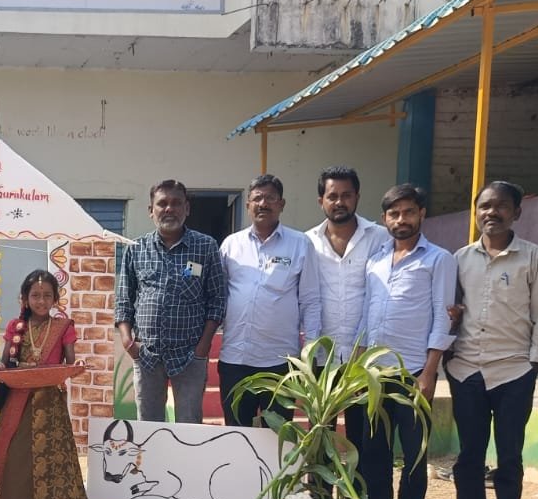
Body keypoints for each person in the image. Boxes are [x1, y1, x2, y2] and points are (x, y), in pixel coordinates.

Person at [438, 182, 538, 499]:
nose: (492, 213)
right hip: (467, 369)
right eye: (484, 207)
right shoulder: (459, 259)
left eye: (501, 207)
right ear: (476, 212)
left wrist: (536, 361)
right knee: (469, 452)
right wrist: (450, 352)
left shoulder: (532, 257)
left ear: (516, 212)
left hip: (514, 369)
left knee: (509, 452)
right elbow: (452, 310)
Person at [353, 183, 456, 499]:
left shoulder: (438, 259)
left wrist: (430, 371)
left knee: (414, 452)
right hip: (374, 373)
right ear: (385, 219)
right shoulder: (376, 259)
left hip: (414, 372)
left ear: (421, 214)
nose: (402, 219)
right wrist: (358, 368)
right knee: (374, 450)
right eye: (394, 214)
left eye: (409, 212)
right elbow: (368, 315)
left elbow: (443, 319)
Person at [0, 270, 97, 499]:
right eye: (35, 295)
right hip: (18, 405)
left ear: (55, 299)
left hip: (50, 408)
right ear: (24, 298)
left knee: (54, 466)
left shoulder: (63, 326)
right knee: (18, 463)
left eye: (47, 295)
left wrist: (78, 368)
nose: (41, 300)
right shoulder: (15, 327)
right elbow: (5, 363)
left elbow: (70, 363)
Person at [115, 179, 225, 424]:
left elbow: (217, 299)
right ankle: (152, 464)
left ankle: (186, 464)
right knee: (148, 426)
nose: (169, 209)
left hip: (189, 356)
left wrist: (203, 347)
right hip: (146, 356)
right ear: (151, 210)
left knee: (188, 425)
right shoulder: (136, 249)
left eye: (176, 203)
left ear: (187, 208)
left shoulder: (205, 247)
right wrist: (127, 340)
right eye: (162, 203)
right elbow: (124, 300)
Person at [217, 174, 320, 426]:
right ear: (248, 204)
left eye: (271, 198)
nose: (264, 203)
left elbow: (310, 299)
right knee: (236, 432)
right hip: (235, 359)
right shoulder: (231, 245)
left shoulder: (300, 244)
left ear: (282, 204)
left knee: (276, 434)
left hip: (280, 363)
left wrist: (311, 351)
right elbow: (217, 295)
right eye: (257, 198)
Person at [306, 166, 390, 459]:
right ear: (321, 201)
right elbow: (306, 298)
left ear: (357, 197)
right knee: (320, 435)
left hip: (365, 357)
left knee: (363, 436)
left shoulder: (380, 238)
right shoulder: (307, 242)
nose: (339, 202)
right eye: (332, 196)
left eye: (346, 195)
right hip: (321, 358)